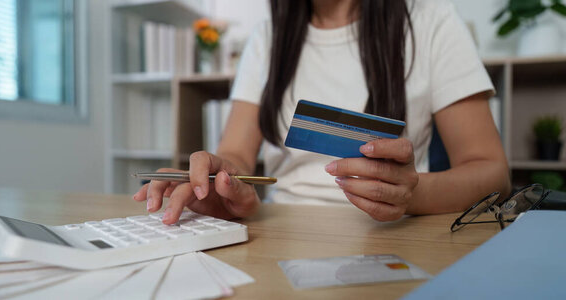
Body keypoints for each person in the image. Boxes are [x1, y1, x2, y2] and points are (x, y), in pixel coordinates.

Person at [133, 0, 511, 224]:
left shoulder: (430, 20)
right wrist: (222, 183)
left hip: (399, 235)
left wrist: (412, 193)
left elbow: (492, 171)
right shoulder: (269, 37)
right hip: (282, 230)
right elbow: (235, 157)